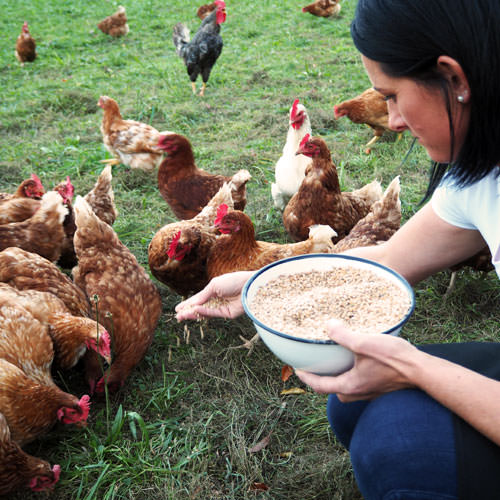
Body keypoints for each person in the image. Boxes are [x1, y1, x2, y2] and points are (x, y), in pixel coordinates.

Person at [176, 1, 500, 498]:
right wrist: (268, 283)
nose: (391, 120)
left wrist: (412, 367)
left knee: (390, 442)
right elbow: (391, 262)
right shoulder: (480, 171)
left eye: (392, 96)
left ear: (453, 78)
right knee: (351, 406)